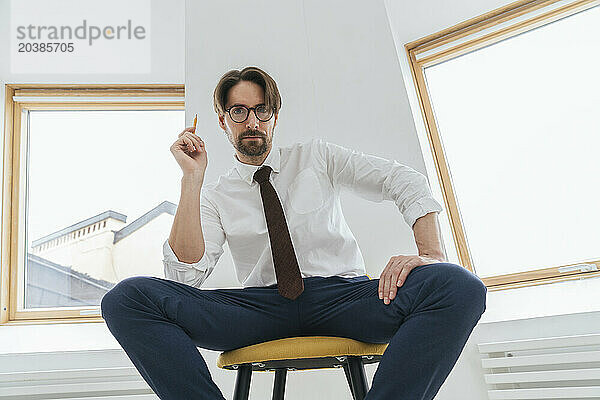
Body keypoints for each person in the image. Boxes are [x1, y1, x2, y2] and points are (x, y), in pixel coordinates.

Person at [101, 66, 487, 400]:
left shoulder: (317, 157)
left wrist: (430, 255)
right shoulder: (214, 194)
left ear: (274, 116)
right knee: (127, 298)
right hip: (259, 308)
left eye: (261, 110)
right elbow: (185, 276)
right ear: (223, 121)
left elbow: (403, 180)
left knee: (459, 286)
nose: (251, 122)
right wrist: (191, 180)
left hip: (342, 297)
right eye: (238, 111)